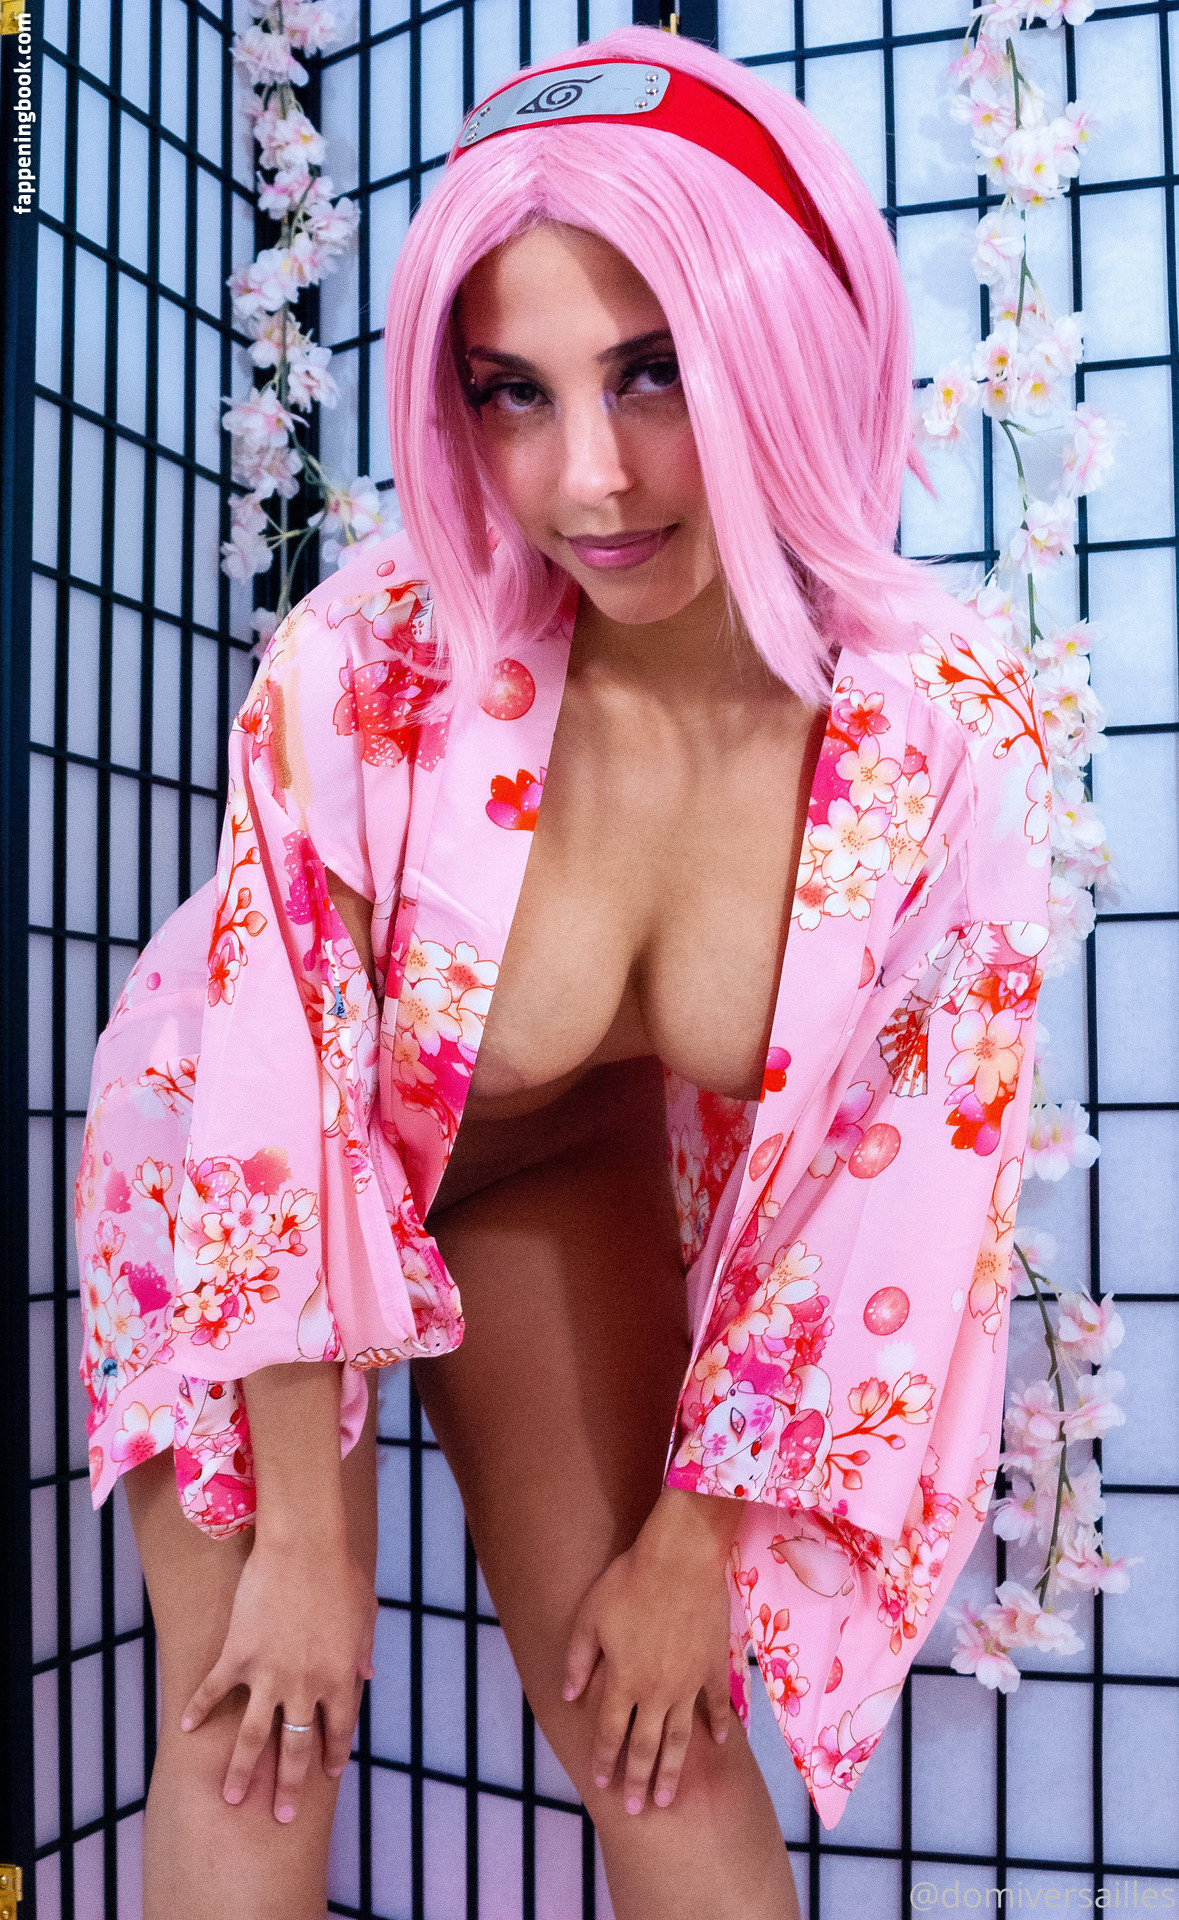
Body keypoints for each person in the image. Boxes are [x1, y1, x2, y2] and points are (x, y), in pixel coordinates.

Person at [75, 25, 1050, 1920]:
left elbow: (892, 1198)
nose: (588, 479)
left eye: (654, 371)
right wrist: (305, 1544)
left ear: (788, 339)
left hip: (548, 1169)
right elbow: (277, 1080)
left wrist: (699, 1537)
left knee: (659, 1735)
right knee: (256, 1725)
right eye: (512, 393)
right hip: (239, 1167)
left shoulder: (939, 745)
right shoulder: (367, 665)